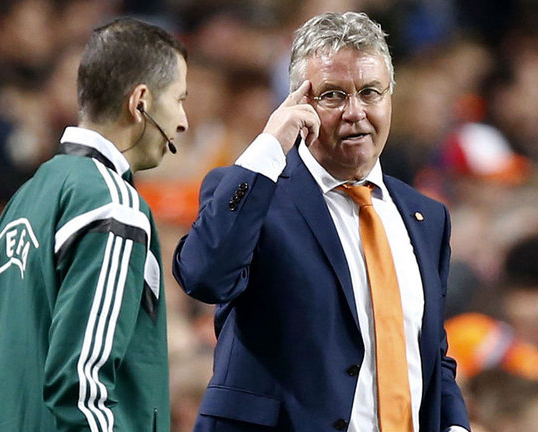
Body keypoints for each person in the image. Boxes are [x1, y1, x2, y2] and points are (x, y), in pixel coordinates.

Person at [173, 11, 470, 432]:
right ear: (298, 105)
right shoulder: (254, 193)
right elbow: (204, 277)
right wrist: (269, 146)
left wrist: (454, 425)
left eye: (370, 92)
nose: (355, 112)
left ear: (390, 98)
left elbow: (429, 353)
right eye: (333, 95)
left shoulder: (427, 216)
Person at [0, 17, 188, 432]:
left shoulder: (27, 196)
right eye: (179, 99)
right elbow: (82, 384)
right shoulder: (113, 204)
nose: (183, 121)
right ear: (140, 102)